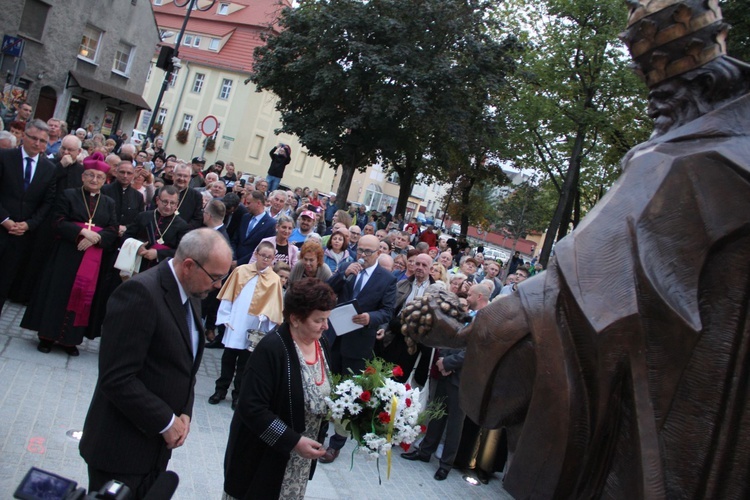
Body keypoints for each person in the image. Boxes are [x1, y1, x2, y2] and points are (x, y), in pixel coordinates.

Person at [80, 229, 232, 497]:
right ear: (188, 266)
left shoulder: (192, 292)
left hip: (154, 448)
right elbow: (117, 378)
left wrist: (184, 412)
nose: (218, 285)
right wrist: (165, 421)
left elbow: (184, 365)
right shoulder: (140, 293)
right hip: (121, 449)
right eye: (216, 277)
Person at [223, 278, 335, 498]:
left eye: (326, 319)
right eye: (318, 320)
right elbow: (251, 407)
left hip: (298, 461)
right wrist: (292, 441)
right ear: (294, 318)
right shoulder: (272, 348)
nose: (325, 326)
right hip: (262, 456)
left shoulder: (321, 343)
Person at [22, 152, 118, 355]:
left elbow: (112, 229)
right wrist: (81, 232)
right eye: (90, 175)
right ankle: (47, 337)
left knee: (82, 296)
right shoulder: (69, 195)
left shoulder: (108, 202)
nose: (94, 180)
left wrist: (96, 238)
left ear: (105, 180)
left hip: (92, 257)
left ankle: (69, 340)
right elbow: (57, 221)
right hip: (66, 255)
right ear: (83, 177)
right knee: (58, 293)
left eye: (99, 177)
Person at [319, 234, 397, 463]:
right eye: (359, 250)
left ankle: (336, 444)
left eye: (367, 252)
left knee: (348, 393)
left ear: (378, 254)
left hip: (359, 342)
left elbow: (388, 311)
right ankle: (318, 433)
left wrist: (370, 318)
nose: (361, 255)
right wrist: (343, 275)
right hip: (334, 336)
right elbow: (327, 289)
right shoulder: (347, 266)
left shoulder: (386, 279)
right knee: (326, 387)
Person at [209, 241, 284, 409]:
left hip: (254, 326)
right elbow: (228, 295)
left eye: (269, 257)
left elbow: (275, 307)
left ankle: (238, 394)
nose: (265, 259)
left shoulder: (274, 280)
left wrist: (267, 318)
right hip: (236, 321)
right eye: (263, 255)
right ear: (256, 254)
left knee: (245, 362)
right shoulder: (240, 271)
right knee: (228, 357)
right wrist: (225, 316)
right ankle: (220, 389)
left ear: (273, 259)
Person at [0, 119, 57, 318]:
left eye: (43, 141)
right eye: (33, 138)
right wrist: (4, 219)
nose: (37, 144)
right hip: (1, 225)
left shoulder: (49, 168)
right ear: (24, 136)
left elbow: (47, 203)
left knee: (4, 282)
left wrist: (29, 224)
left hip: (21, 235)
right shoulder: (5, 157)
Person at [121, 186, 190, 273]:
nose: (168, 206)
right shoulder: (143, 216)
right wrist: (137, 247)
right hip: (137, 264)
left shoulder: (183, 226)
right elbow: (126, 236)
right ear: (157, 200)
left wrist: (158, 254)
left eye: (172, 203)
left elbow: (182, 252)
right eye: (165, 202)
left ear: (177, 204)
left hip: (162, 270)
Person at [234, 190, 277, 265]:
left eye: (249, 203)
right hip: (233, 261)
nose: (246, 206)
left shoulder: (270, 224)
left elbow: (262, 249)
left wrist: (239, 262)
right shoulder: (245, 217)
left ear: (258, 203)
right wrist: (233, 258)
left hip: (250, 264)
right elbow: (235, 239)